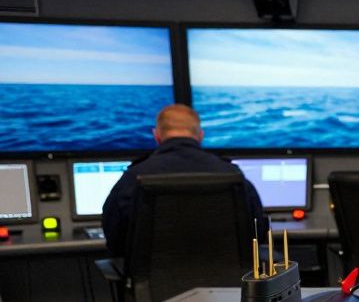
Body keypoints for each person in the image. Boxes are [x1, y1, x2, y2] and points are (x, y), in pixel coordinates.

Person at [102, 104, 264, 258]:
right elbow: (259, 232)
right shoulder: (232, 174)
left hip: (154, 285)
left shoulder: (134, 176)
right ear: (200, 135)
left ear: (156, 136)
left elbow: (115, 240)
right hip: (228, 284)